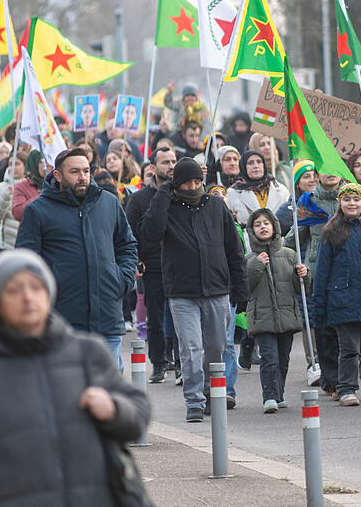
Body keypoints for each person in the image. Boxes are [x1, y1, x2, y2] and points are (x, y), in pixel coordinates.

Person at [0, 249, 151, 507]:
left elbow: (138, 412)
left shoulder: (86, 352)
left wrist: (114, 408)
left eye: (36, 287)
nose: (27, 297)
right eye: (14, 290)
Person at [141, 156, 246, 422]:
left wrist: (240, 290)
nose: (193, 186)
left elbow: (234, 250)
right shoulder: (167, 206)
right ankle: (194, 401)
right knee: (191, 348)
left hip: (217, 289)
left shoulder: (215, 207)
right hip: (182, 292)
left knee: (215, 346)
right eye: (187, 182)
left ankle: (212, 393)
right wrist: (164, 193)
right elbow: (150, 233)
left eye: (197, 181)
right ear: (177, 184)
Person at [16, 148, 138, 365]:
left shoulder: (109, 203)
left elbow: (126, 245)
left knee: (108, 389)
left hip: (107, 316)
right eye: (74, 172)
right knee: (68, 389)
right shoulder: (37, 210)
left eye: (86, 171)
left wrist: (122, 280)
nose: (82, 177)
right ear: (58, 176)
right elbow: (27, 263)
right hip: (63, 319)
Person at [311, 183, 361, 407]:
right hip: (341, 300)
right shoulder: (331, 231)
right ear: (340, 203)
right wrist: (319, 304)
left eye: (356, 199)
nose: (352, 203)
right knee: (348, 348)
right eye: (347, 199)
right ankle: (346, 388)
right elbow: (322, 271)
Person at [281, 172, 344, 395]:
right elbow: (294, 236)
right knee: (322, 327)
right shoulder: (308, 201)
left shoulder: (350, 197)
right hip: (316, 273)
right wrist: (277, 252)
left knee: (345, 326)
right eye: (323, 170)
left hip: (345, 271)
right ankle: (329, 379)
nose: (330, 174)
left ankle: (348, 376)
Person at [245, 208, 310, 413]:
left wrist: (304, 274)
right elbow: (246, 286)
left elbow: (301, 286)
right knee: (269, 358)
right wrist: (257, 264)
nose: (263, 227)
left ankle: (279, 393)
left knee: (283, 359)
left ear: (274, 227)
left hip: (286, 315)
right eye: (257, 224)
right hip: (262, 318)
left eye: (266, 223)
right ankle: (270, 396)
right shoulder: (249, 258)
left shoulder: (289, 254)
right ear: (251, 230)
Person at [125, 147, 178, 383]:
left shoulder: (182, 195)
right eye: (165, 162)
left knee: (179, 316)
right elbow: (129, 234)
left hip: (179, 266)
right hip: (153, 267)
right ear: (153, 168)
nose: (171, 166)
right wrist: (135, 260)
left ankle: (180, 361)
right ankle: (159, 362)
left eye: (174, 161)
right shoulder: (138, 199)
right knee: (155, 318)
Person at [227, 150, 289, 230]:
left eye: (259, 162)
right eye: (250, 163)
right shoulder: (233, 193)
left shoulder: (281, 190)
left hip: (278, 240)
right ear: (243, 167)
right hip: (248, 241)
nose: (256, 166)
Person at [0, 152, 25, 251]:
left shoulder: (31, 187)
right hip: (7, 247)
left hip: (27, 246)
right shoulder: (1, 187)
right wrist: (6, 196)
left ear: (25, 166)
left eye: (17, 164)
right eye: (10, 164)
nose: (13, 167)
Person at [275, 159, 317, 239]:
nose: (312, 180)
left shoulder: (325, 204)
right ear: (297, 183)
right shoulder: (287, 210)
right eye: (306, 176)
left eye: (315, 176)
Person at [11, 150, 46, 221]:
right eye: (41, 162)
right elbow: (18, 213)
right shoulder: (21, 186)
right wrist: (43, 196)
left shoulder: (57, 184)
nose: (46, 165)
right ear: (34, 164)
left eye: (48, 161)